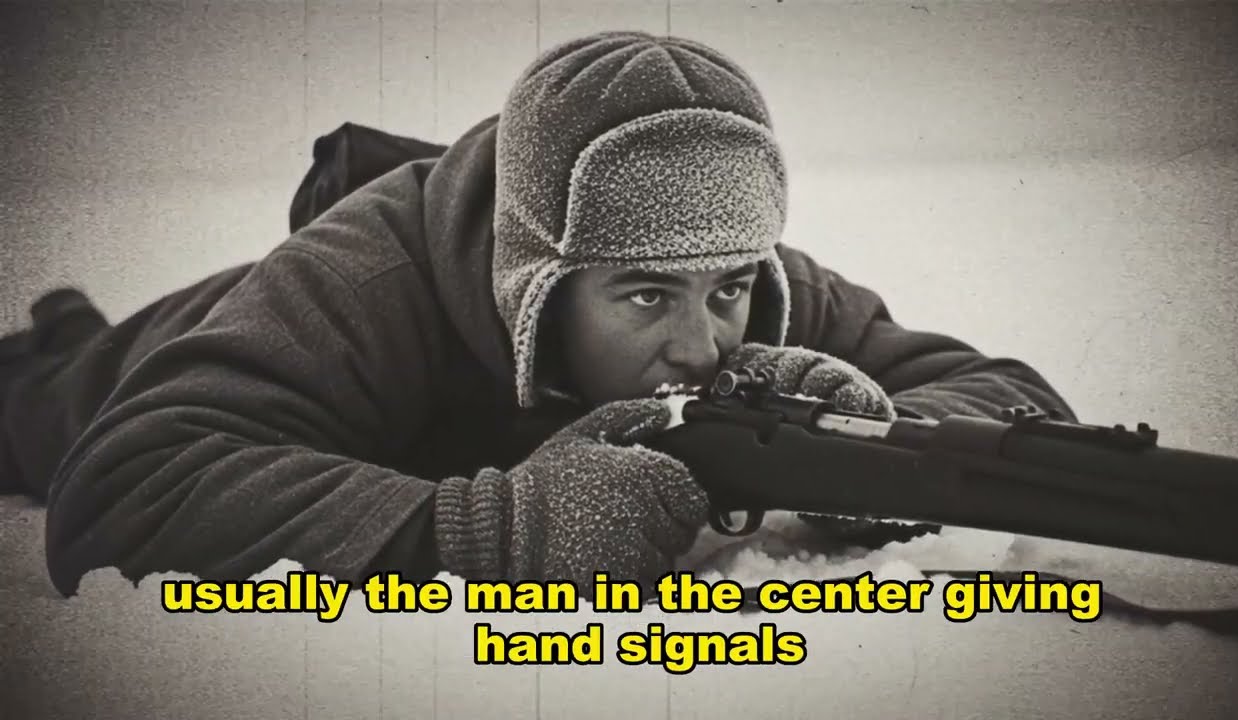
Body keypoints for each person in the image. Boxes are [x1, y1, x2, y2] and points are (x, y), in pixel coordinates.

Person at [0, 31, 1075, 599]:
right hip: (122, 375)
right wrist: (490, 531)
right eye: (645, 294)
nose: (704, 345)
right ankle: (61, 332)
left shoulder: (749, 284)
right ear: (536, 283)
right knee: (40, 387)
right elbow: (124, 484)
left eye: (726, 289)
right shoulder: (365, 283)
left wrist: (868, 429)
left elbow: (1010, 395)